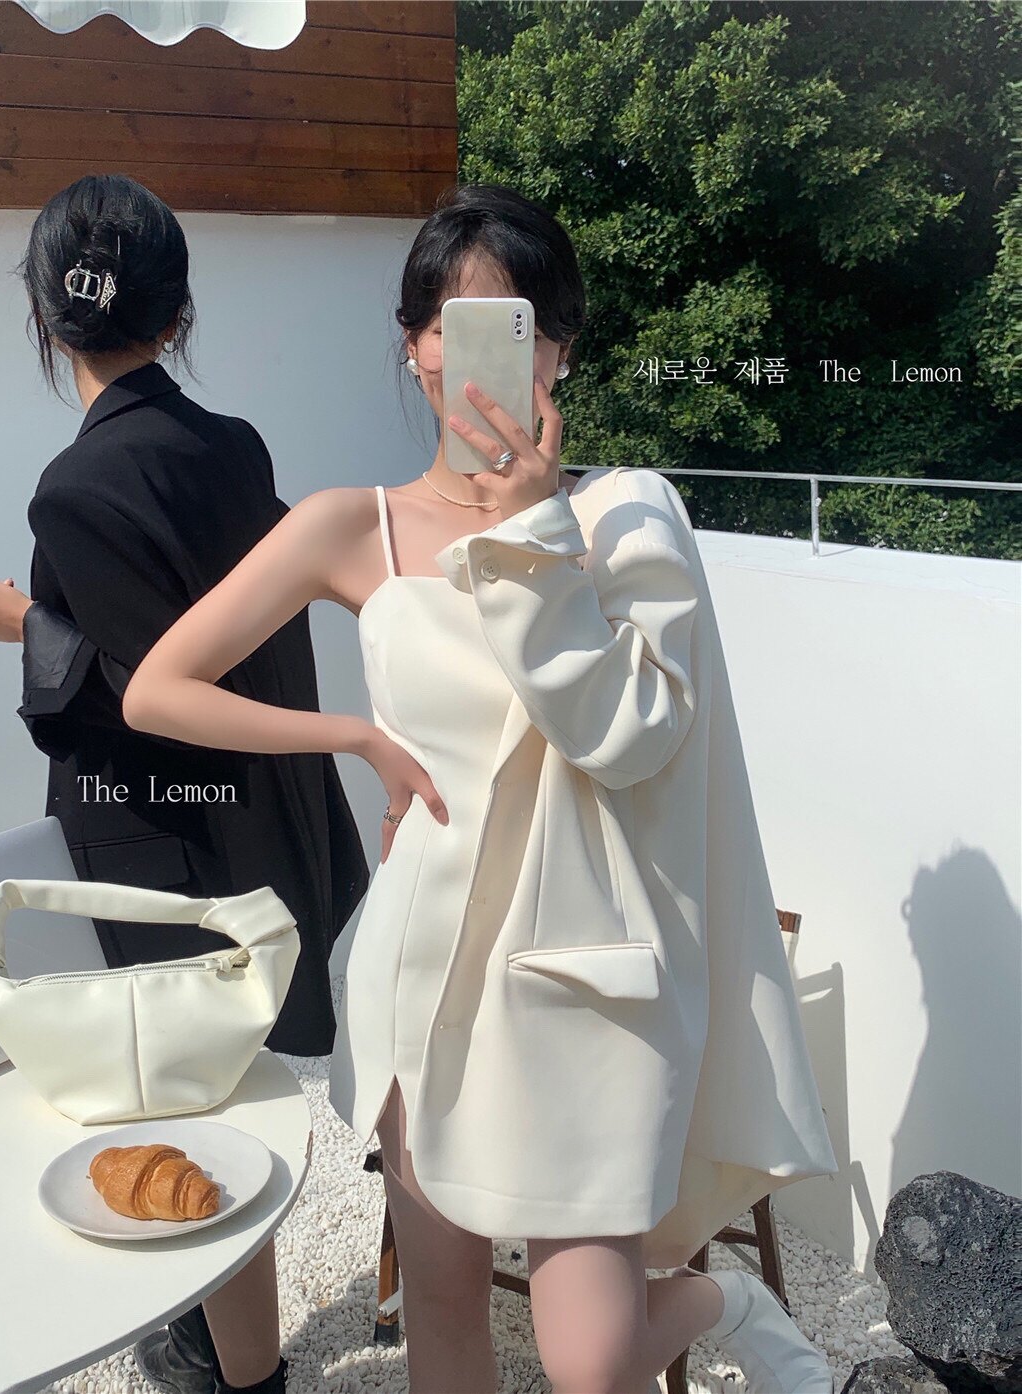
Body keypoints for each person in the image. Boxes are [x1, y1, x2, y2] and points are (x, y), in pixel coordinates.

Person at [121, 183, 840, 1394]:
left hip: (587, 985)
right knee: (444, 1317)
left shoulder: (624, 518)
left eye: (515, 325)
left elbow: (630, 737)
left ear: (560, 348)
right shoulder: (354, 525)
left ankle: (726, 1297)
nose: (474, 356)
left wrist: (537, 534)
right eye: (447, 326)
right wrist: (356, 735)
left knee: (592, 1356)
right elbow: (158, 687)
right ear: (413, 346)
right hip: (429, 968)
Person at [0, 173, 370, 1394]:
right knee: (218, 1088)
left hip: (157, 847)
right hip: (256, 817)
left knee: (184, 1101)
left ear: (44, 314)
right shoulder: (234, 447)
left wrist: (18, 620)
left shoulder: (74, 488)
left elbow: (139, 692)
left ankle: (245, 1370)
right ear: (177, 314)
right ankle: (216, 1338)